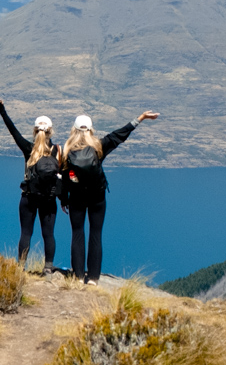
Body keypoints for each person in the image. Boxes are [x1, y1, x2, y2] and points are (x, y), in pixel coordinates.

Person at [59, 110, 159, 285]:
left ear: (73, 130)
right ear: (91, 130)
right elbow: (119, 135)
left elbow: (64, 179)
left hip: (77, 198)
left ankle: (78, 276)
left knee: (77, 234)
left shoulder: (67, 151)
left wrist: (63, 199)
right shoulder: (99, 147)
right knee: (96, 234)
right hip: (97, 197)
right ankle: (93, 278)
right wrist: (140, 118)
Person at [0, 96, 62, 272]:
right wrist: (65, 200)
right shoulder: (58, 151)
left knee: (26, 233)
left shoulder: (28, 149)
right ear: (51, 131)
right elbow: (62, 177)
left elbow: (12, 130)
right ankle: (48, 268)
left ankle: (20, 268)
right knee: (48, 235)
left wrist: (1, 109)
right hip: (49, 199)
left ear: (34, 131)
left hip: (29, 197)